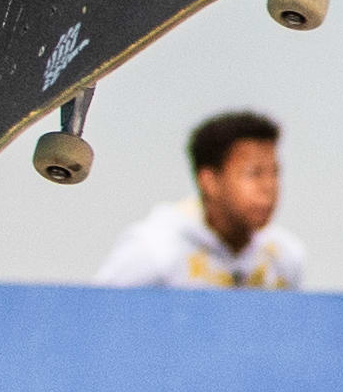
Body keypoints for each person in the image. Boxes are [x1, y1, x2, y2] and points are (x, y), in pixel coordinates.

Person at [92, 113, 306, 289]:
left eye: (275, 173)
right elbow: (98, 320)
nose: (269, 186)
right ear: (209, 181)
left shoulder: (284, 258)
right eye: (254, 173)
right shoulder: (156, 250)